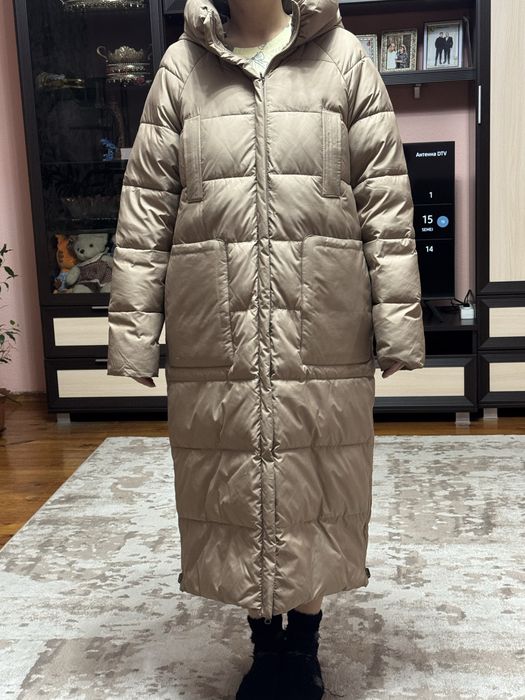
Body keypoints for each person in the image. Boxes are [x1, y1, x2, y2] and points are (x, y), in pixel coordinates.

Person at [106, 0, 425, 698]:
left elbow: (386, 205)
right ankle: (262, 642)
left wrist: (397, 322)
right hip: (214, 320)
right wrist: (134, 331)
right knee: (233, 480)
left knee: (318, 478)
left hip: (323, 318)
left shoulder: (345, 60)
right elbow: (147, 207)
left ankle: (302, 645)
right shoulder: (181, 68)